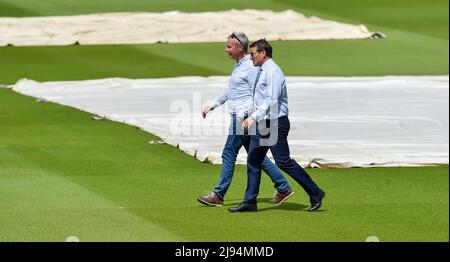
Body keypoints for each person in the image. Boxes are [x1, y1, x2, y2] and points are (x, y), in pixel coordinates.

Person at [197, 32, 294, 207]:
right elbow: (231, 90)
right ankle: (283, 186)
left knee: (228, 153)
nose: (226, 49)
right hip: (242, 116)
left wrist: (247, 116)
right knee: (256, 156)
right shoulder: (239, 65)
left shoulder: (250, 67)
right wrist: (213, 104)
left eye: (229, 46)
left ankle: (218, 194)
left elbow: (255, 93)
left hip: (242, 117)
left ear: (239, 47)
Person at [228, 39, 325, 213]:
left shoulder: (272, 72)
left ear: (263, 53)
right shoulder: (262, 70)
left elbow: (272, 100)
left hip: (275, 123)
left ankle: (315, 192)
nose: (251, 58)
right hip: (263, 123)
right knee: (253, 160)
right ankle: (250, 202)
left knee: (283, 161)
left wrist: (253, 117)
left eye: (253, 54)